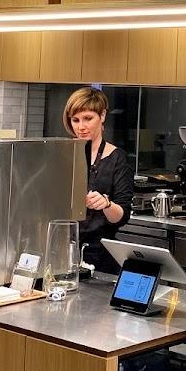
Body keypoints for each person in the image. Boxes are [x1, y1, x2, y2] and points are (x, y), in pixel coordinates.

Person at [63, 87, 131, 273]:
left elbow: (122, 216)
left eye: (88, 118)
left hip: (101, 256)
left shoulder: (117, 158)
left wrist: (106, 204)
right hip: (63, 252)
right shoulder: (64, 155)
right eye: (75, 120)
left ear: (102, 116)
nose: (81, 126)